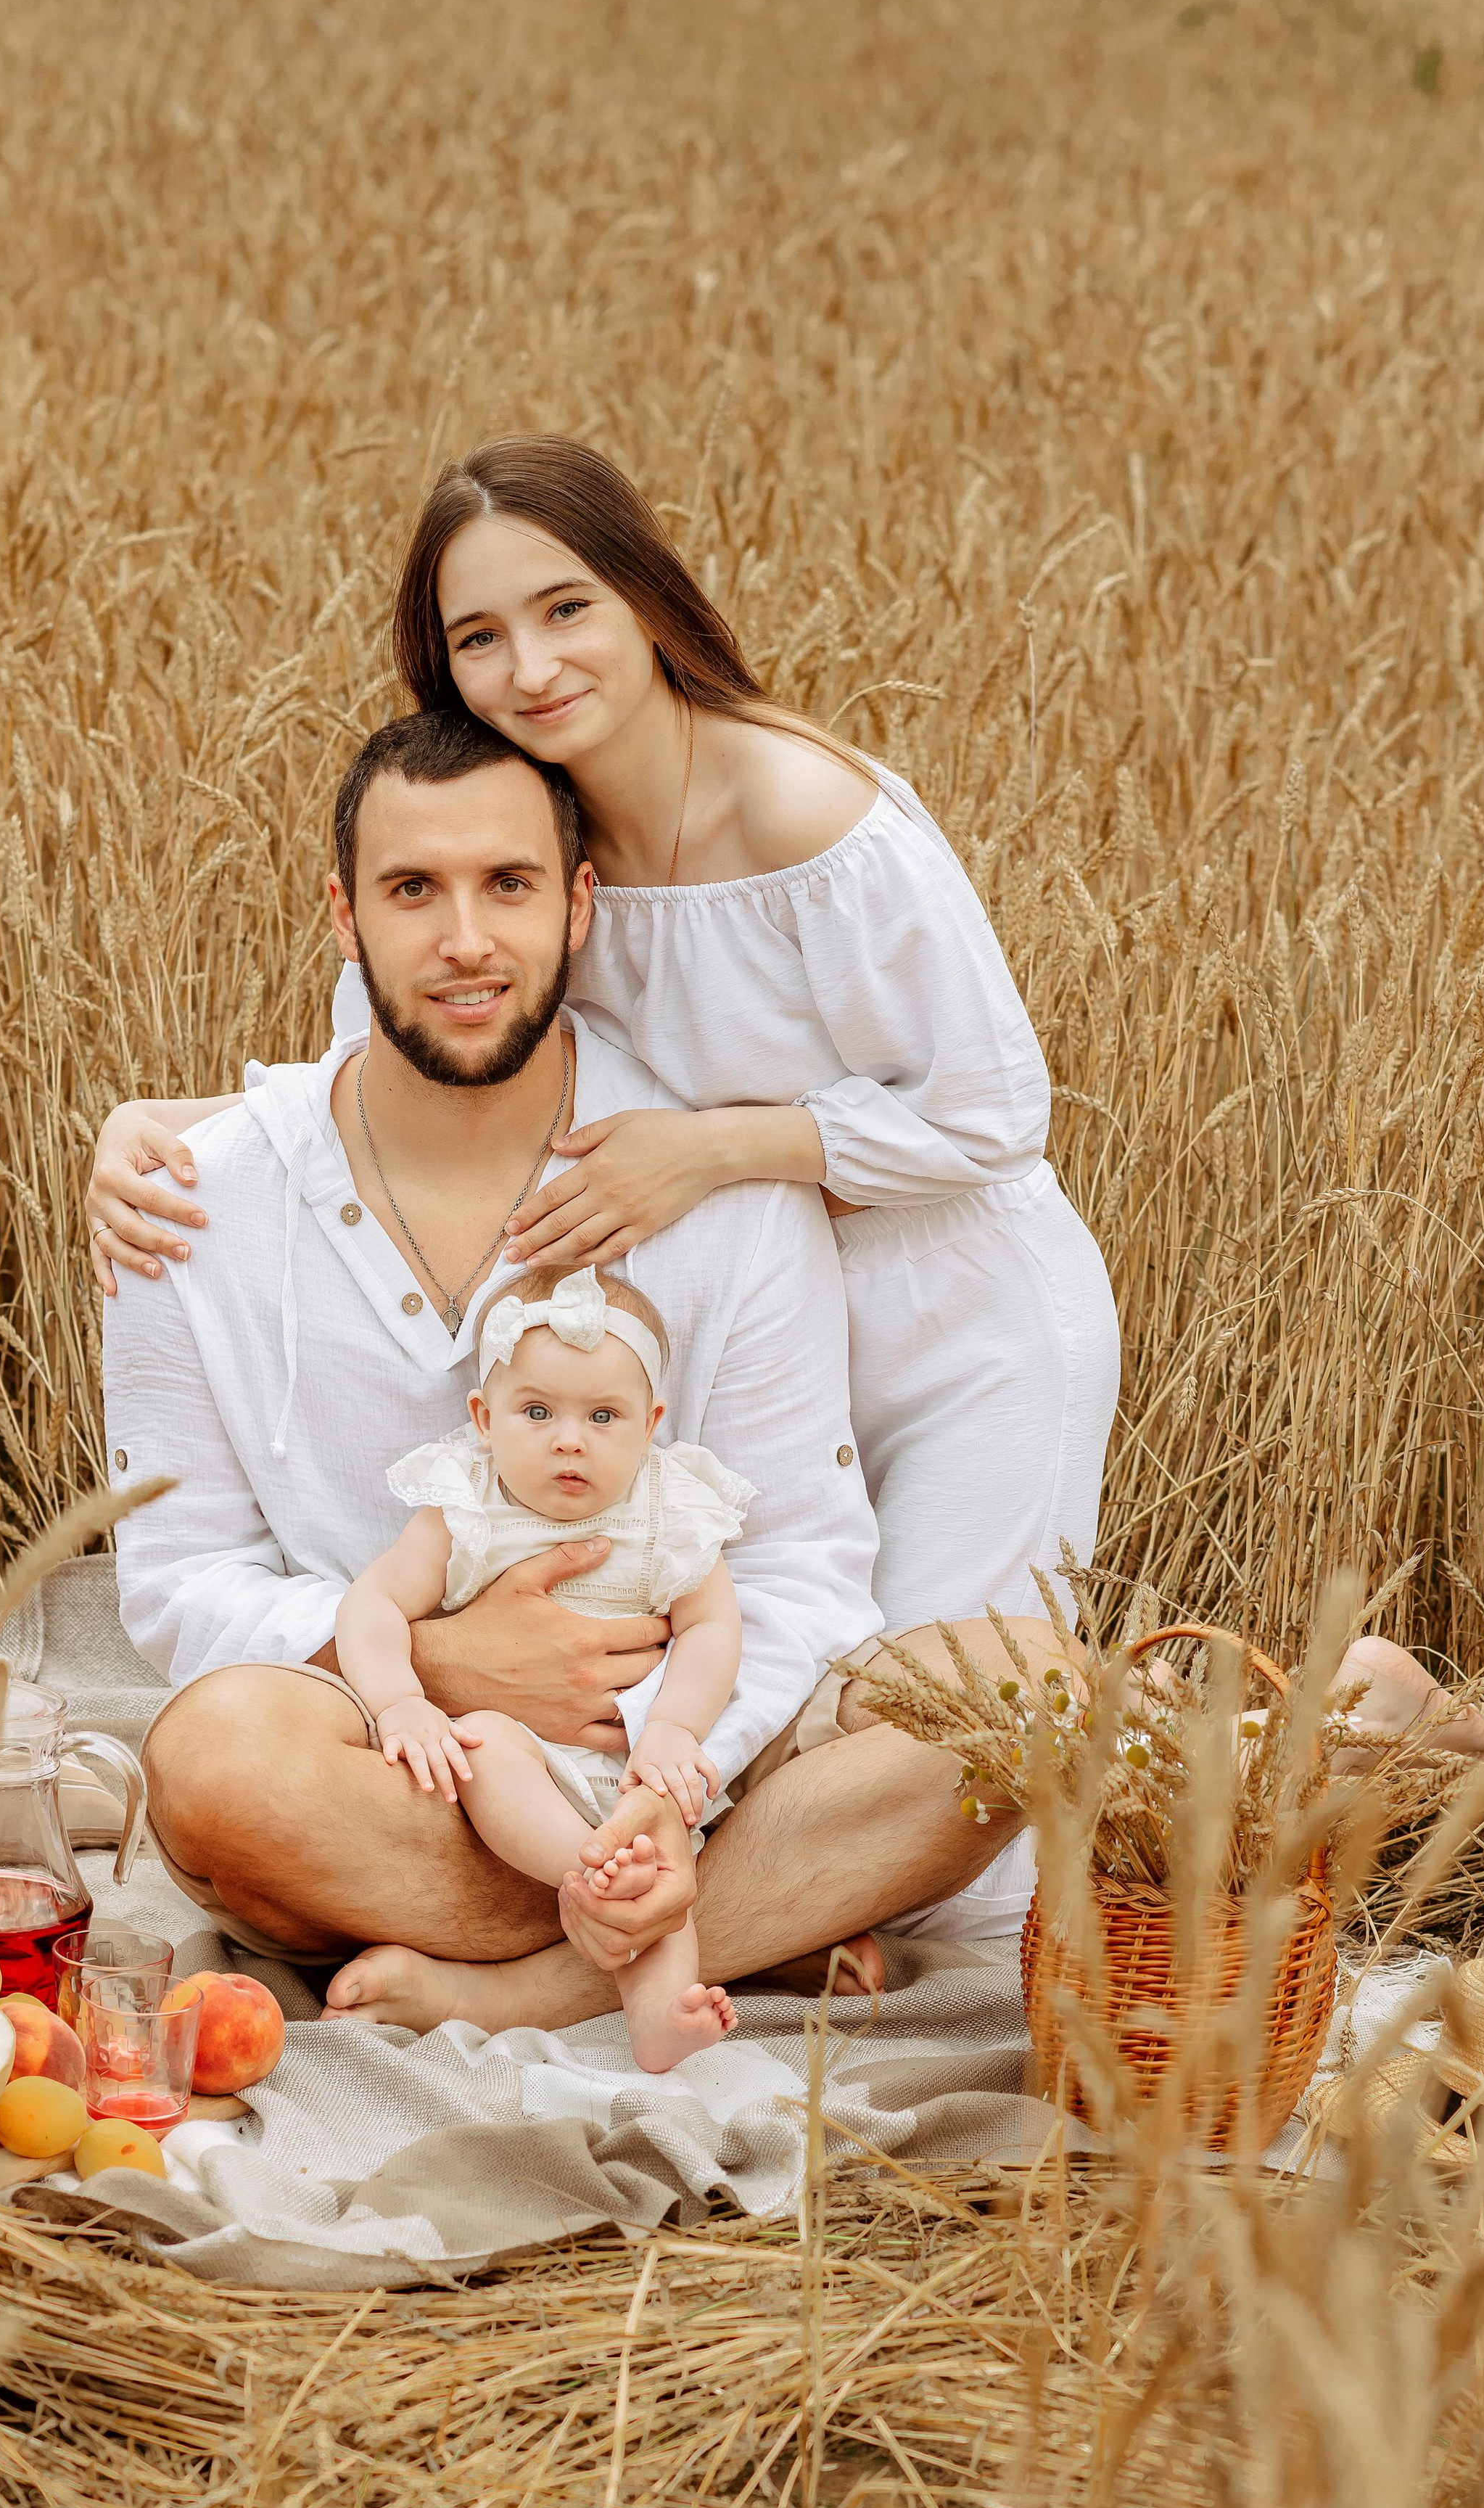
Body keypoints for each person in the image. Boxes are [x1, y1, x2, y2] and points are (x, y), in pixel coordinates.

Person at [91, 433, 1124, 1954]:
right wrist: (155, 1122)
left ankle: (567, 1964)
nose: (530, 664)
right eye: (478, 637)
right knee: (228, 1759)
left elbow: (991, 1113)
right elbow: (387, 1053)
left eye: (565, 608)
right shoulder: (524, 838)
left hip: (951, 1303)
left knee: (985, 1716)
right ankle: (731, 1917)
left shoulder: (792, 821)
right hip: (688, 1366)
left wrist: (716, 1151)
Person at [334, 1263, 746, 2068]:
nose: (569, 1439)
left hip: (628, 1759)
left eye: (602, 1416)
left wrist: (671, 1729)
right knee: (485, 1742)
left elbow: (711, 1628)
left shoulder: (672, 1509)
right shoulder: (467, 1507)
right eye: (536, 1412)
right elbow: (372, 1605)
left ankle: (660, 2017)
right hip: (520, 1776)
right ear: (484, 1418)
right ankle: (588, 1876)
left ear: (650, 1421)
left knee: (655, 1836)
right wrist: (399, 1704)